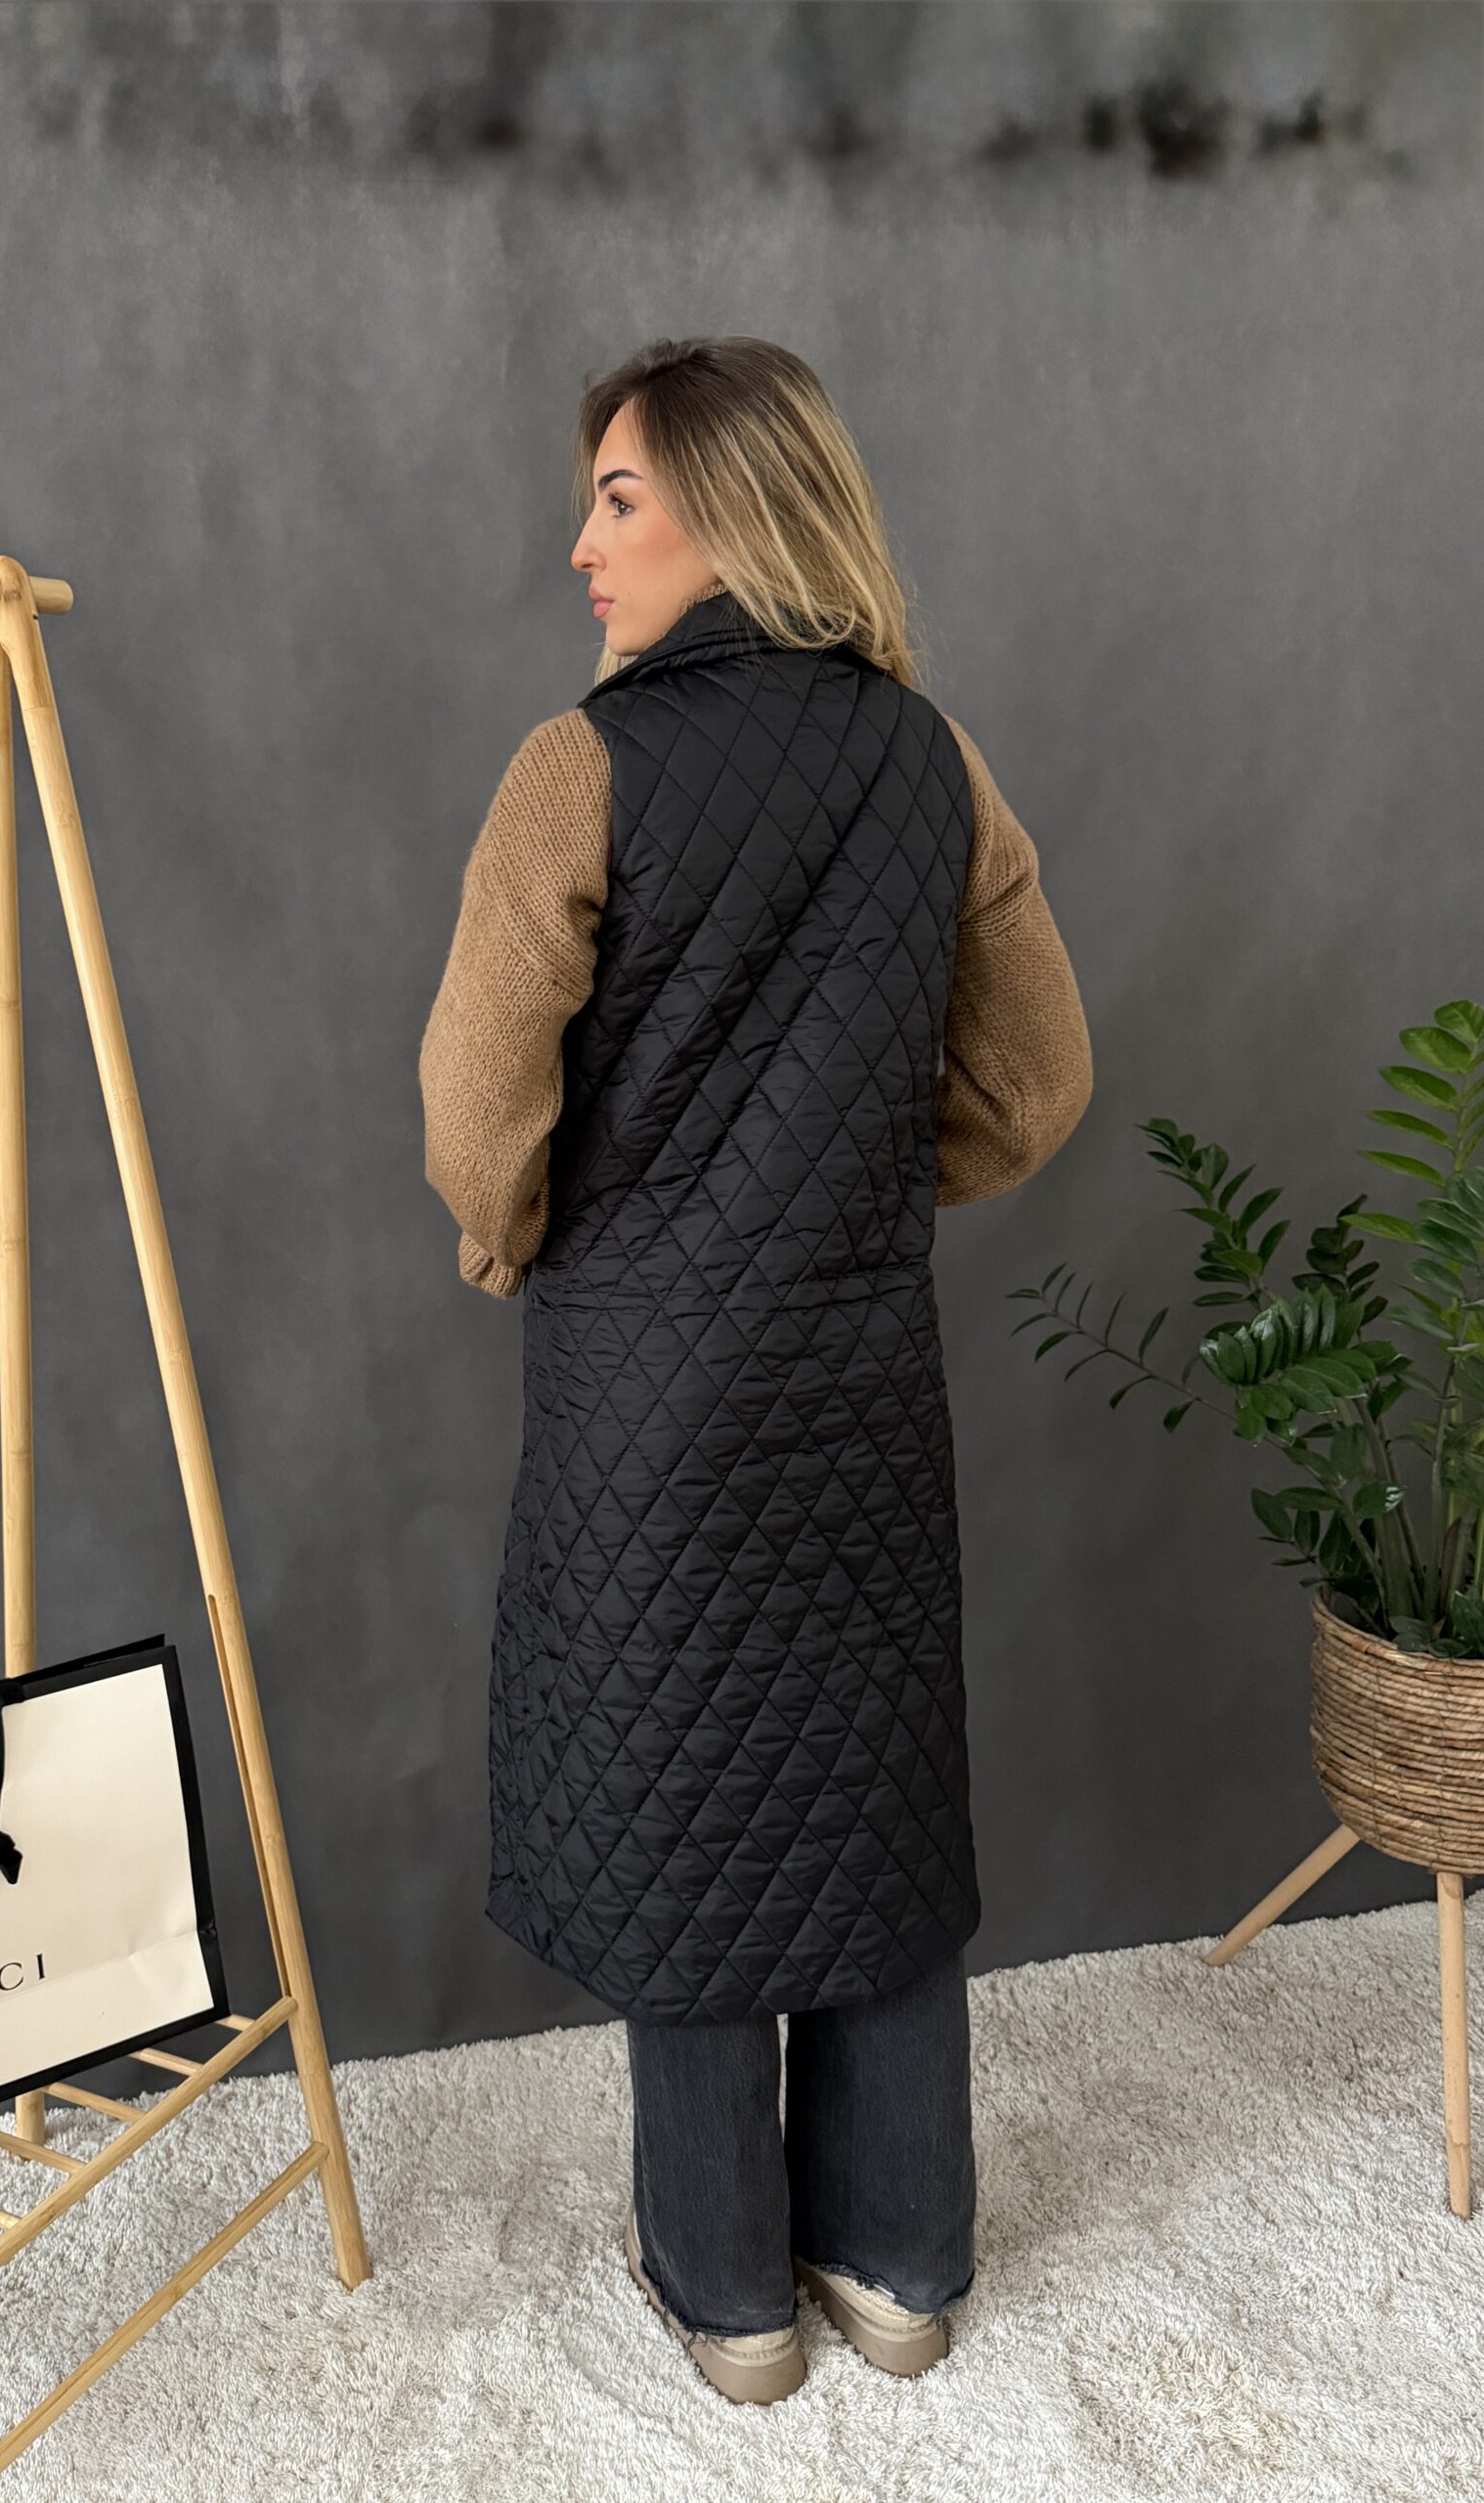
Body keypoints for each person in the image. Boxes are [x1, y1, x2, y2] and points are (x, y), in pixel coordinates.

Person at [418, 336, 1093, 2405]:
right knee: (859, 1797)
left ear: (731, 505)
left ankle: (730, 2300)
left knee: (681, 1800)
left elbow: (475, 1102)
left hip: (645, 1397)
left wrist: (519, 1229)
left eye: (617, 496)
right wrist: (863, 1184)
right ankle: (904, 2265)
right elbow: (1038, 1082)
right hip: (856, 1377)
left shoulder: (580, 768)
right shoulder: (932, 758)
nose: (581, 541)